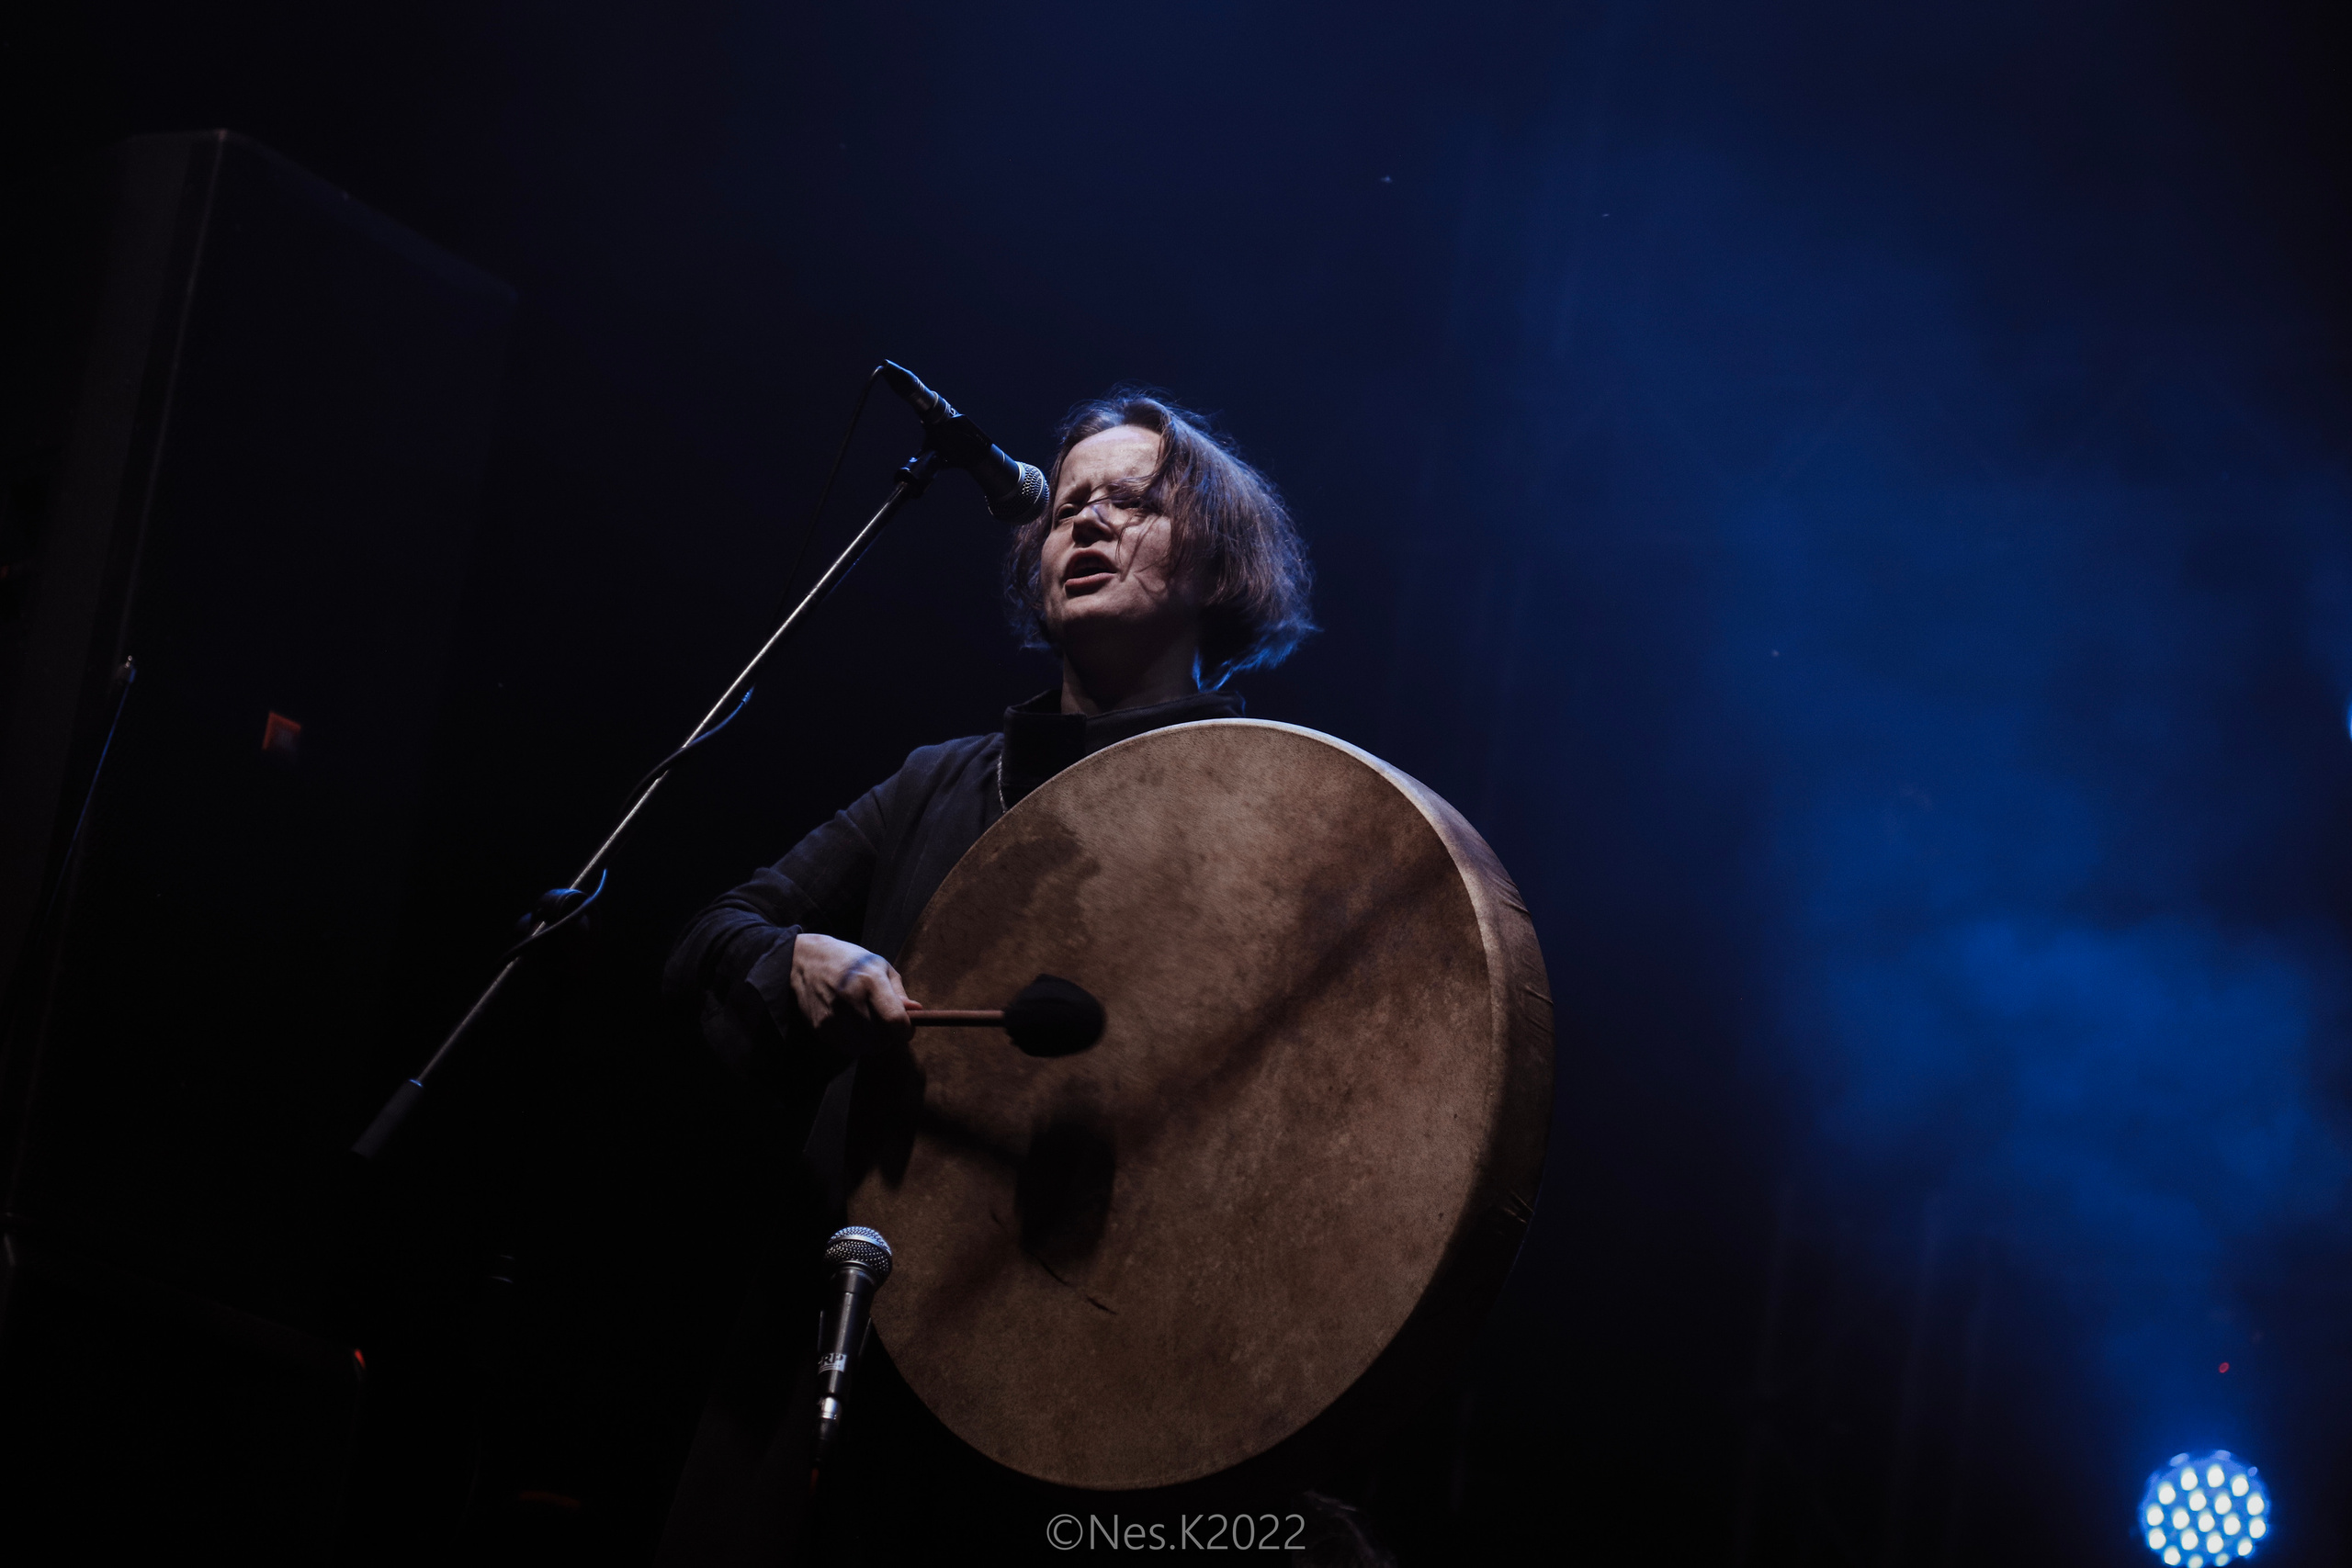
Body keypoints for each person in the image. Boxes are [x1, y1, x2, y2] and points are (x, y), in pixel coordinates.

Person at [654, 389, 1313, 1566]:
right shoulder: (935, 785)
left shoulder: (1273, 812)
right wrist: (791, 958)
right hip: (870, 1338)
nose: (1091, 523)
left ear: (1221, 563)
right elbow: (716, 931)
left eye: (1136, 501)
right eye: (1070, 506)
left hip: (1105, 1380)